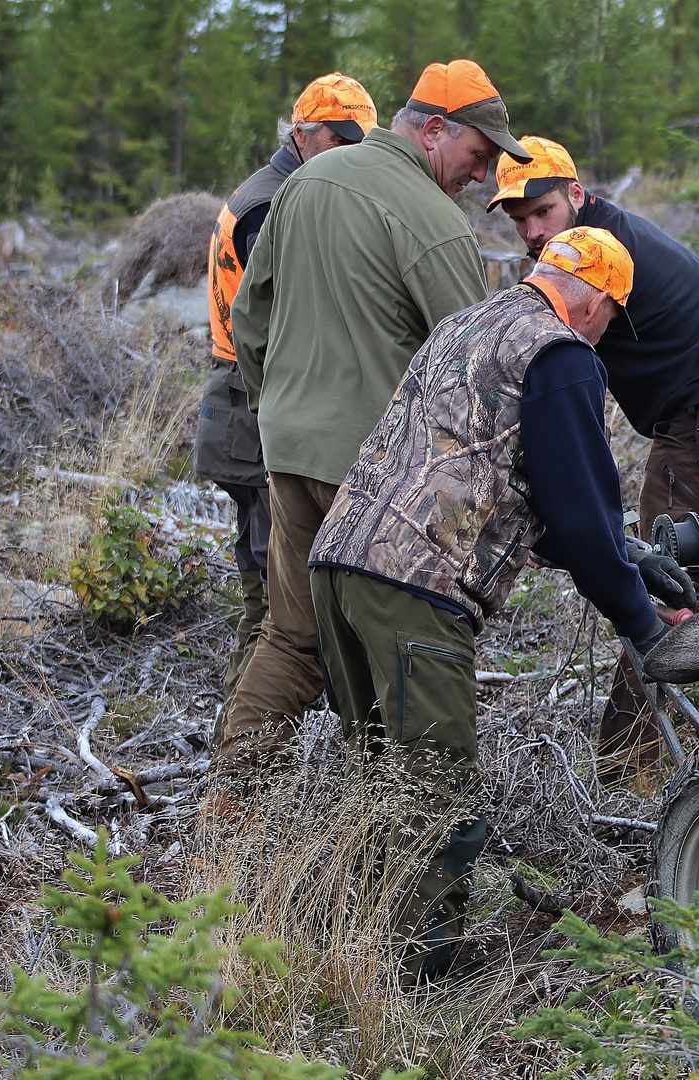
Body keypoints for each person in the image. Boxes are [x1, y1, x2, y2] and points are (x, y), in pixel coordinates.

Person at [308, 226, 691, 981]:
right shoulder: (561, 355)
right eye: (611, 316)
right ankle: (422, 983)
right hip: (416, 588)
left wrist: (630, 556)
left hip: (342, 562)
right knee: (434, 794)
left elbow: (484, 483)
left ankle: (355, 953)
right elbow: (579, 514)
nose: (607, 332)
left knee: (377, 779)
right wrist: (641, 622)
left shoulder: (469, 324)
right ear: (592, 302)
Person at [220, 59, 531, 771]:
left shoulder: (303, 184)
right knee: (405, 640)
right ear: (433, 131)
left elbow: (248, 318)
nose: (480, 178)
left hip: (290, 456)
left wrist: (279, 412)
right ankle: (398, 817)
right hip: (372, 474)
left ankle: (231, 802)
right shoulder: (434, 224)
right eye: (478, 157)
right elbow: (475, 370)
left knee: (290, 634)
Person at [488, 137, 699, 773]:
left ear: (576, 196)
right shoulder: (589, 243)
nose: (531, 231)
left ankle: (627, 764)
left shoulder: (599, 259)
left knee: (663, 581)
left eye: (542, 212)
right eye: (518, 220)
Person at [201, 73, 377, 745]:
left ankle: (240, 751)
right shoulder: (269, 206)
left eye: (356, 142)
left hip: (254, 405)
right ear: (302, 136)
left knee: (272, 598)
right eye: (337, 141)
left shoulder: (281, 191)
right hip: (251, 410)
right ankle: (237, 758)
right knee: (269, 607)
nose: (345, 154)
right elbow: (271, 324)